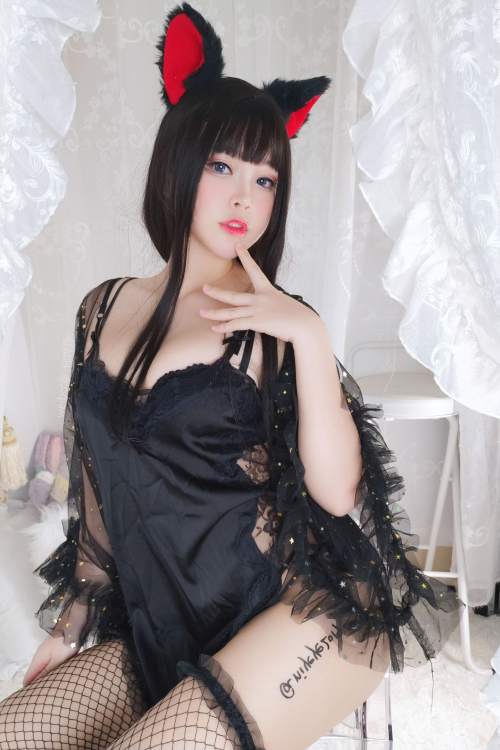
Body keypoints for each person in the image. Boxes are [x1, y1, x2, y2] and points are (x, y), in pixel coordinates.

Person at [0, 3, 462, 749]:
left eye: (266, 178)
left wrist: (308, 335)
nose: (246, 197)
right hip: (165, 620)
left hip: (303, 613)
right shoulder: (102, 308)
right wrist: (73, 619)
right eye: (222, 167)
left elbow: (338, 494)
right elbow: (97, 487)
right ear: (179, 162)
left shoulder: (277, 327)